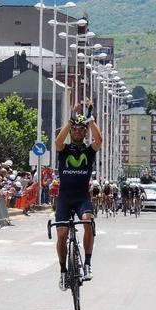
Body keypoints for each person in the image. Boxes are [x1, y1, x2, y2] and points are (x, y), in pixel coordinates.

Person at [54, 113, 102, 290]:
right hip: (65, 197)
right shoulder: (64, 149)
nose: (77, 131)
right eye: (74, 129)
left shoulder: (88, 151)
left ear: (85, 132)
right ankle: (63, 271)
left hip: (82, 197)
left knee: (88, 222)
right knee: (61, 234)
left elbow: (99, 140)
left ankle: (87, 263)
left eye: (81, 129)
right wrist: (70, 122)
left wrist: (91, 120)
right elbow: (57, 141)